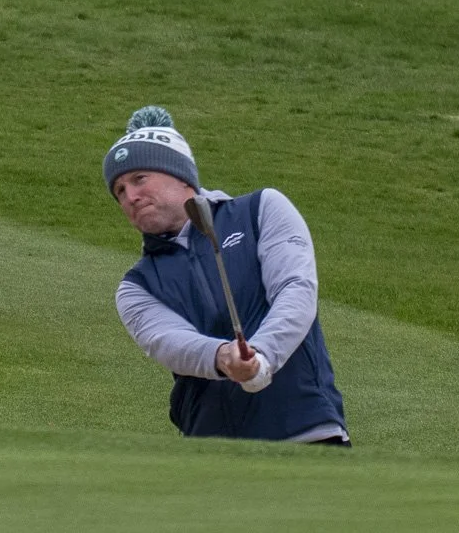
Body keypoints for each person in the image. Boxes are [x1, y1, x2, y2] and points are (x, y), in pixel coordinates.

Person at [106, 106, 349, 446]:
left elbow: (296, 292)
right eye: (119, 191)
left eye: (139, 179)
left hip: (306, 429)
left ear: (180, 175)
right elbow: (171, 343)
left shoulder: (261, 210)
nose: (130, 196)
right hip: (214, 450)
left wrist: (261, 356)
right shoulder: (137, 286)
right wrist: (225, 358)